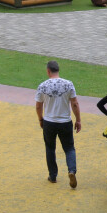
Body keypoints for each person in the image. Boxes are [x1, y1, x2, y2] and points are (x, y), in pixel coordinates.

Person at [35, 60, 81, 189]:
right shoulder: (68, 84)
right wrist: (78, 120)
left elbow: (38, 106)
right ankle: (71, 171)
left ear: (48, 71)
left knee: (50, 148)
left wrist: (40, 119)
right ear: (58, 70)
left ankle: (53, 176)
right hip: (65, 122)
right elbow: (75, 103)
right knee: (69, 148)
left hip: (49, 122)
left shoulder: (42, 86)